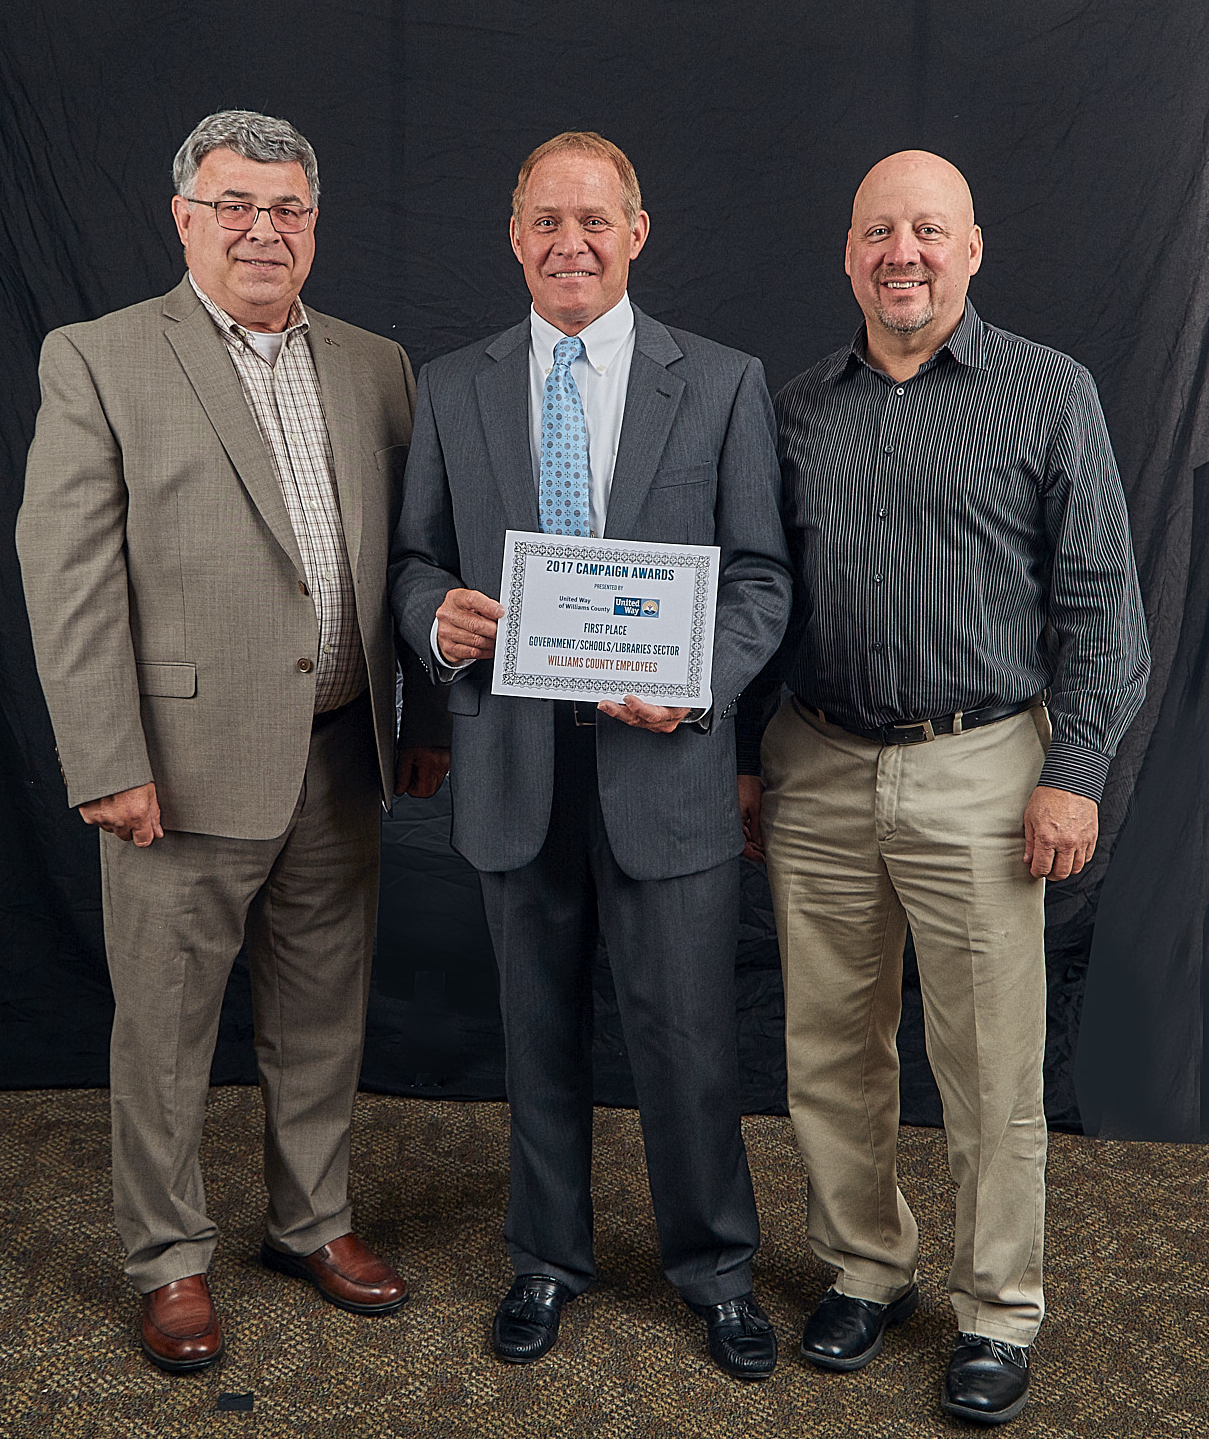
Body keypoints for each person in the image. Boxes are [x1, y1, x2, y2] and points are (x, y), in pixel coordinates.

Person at [15, 109, 449, 1373]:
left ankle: (310, 1225)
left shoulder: (377, 364)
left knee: (322, 1013)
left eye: (289, 209)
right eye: (234, 204)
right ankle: (168, 1260)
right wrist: (105, 759)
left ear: (315, 225)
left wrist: (410, 721)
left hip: (339, 748)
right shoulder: (97, 358)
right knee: (164, 1027)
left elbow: (408, 564)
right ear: (184, 218)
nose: (264, 228)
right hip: (176, 760)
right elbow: (70, 577)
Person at [738, 150, 1149, 1425]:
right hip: (813, 761)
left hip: (984, 765)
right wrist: (755, 756)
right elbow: (760, 595)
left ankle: (994, 1308)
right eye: (876, 231)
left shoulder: (1045, 393)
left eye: (927, 230)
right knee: (827, 1050)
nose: (900, 253)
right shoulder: (795, 408)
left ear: (972, 249)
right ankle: (865, 1271)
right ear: (845, 253)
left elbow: (1100, 610)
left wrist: (1072, 775)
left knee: (986, 1065)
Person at [389, 132, 792, 1378]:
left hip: (662, 770)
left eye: (593, 220)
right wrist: (430, 619)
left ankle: (713, 1269)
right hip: (513, 764)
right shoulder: (455, 386)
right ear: (513, 240)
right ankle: (545, 1260)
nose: (570, 242)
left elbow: (762, 582)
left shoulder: (720, 383)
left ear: (636, 230)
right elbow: (411, 563)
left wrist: (695, 686)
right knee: (535, 1030)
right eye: (544, 222)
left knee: (684, 1039)